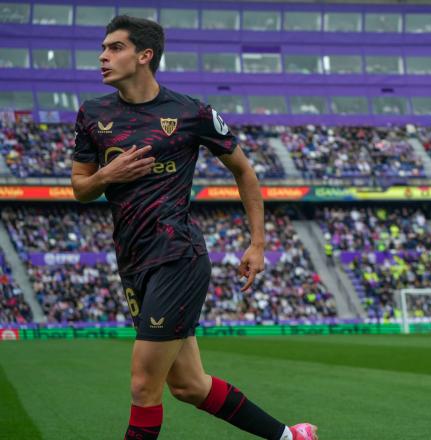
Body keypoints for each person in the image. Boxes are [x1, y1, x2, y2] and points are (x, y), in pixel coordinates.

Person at [70, 15, 317, 440]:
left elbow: (244, 172)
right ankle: (290, 437)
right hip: (133, 263)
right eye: (104, 48)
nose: (102, 56)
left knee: (143, 387)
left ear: (144, 56)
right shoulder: (92, 113)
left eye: (114, 48)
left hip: (177, 257)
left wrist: (257, 244)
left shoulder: (190, 113)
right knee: (188, 386)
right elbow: (80, 189)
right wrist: (107, 177)